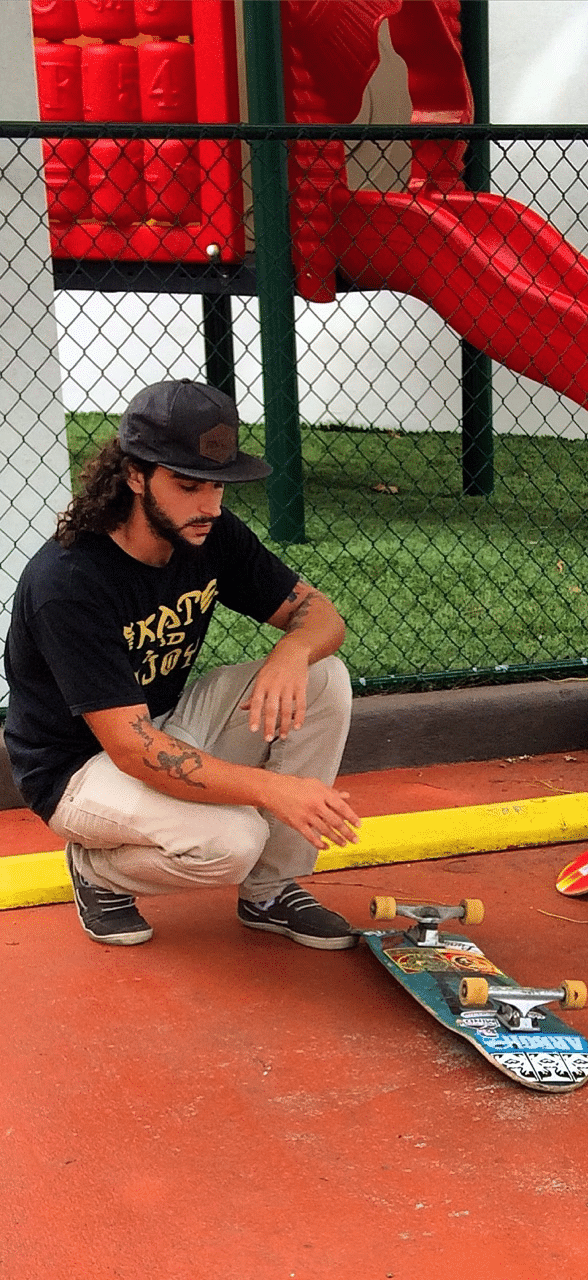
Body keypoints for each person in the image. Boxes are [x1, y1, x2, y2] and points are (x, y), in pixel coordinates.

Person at [4, 379, 362, 949]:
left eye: (218, 486)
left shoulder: (211, 533)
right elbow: (131, 749)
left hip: (164, 720)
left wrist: (292, 650)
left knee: (324, 677)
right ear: (135, 475)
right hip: (78, 771)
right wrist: (274, 790)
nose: (210, 506)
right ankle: (97, 871)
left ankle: (269, 891)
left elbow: (323, 616)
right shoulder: (68, 582)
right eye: (189, 485)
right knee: (234, 840)